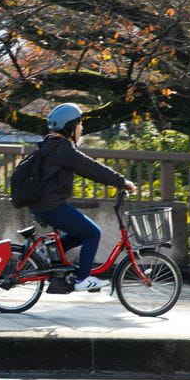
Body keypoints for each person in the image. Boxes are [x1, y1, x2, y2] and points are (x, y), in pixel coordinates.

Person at [28, 103, 136, 292]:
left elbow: (87, 168)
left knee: (81, 232)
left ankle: (46, 253)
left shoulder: (52, 145)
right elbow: (91, 168)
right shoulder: (63, 149)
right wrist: (122, 182)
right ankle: (82, 279)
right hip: (50, 206)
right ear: (70, 126)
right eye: (79, 124)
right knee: (93, 233)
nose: (82, 128)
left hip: (44, 204)